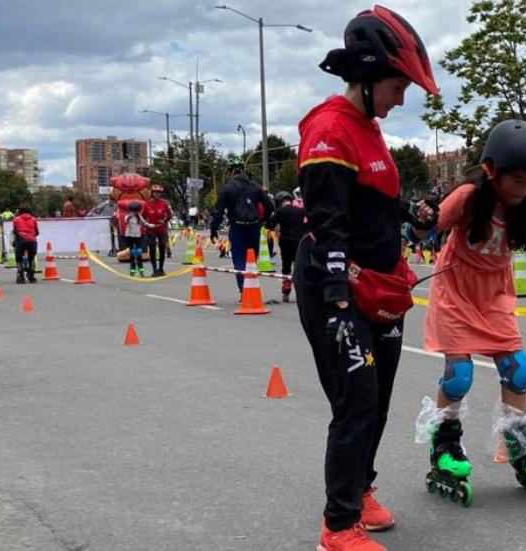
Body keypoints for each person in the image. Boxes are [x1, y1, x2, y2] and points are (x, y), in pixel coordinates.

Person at [296, 6, 440, 550]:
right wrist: (336, 302)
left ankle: (360, 489)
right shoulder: (331, 128)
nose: (401, 97)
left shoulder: (369, 129)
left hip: (379, 287)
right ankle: (337, 526)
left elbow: (371, 206)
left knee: (377, 398)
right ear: (367, 73)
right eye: (398, 85)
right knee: (355, 400)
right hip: (337, 287)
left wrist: (411, 216)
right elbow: (328, 219)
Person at [416, 119, 526, 508]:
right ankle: (445, 447)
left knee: (518, 369)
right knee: (459, 376)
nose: (524, 190)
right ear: (490, 171)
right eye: (517, 181)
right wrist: (421, 220)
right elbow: (425, 230)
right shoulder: (466, 198)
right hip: (456, 292)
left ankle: (522, 449)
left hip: (494, 296)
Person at [209, 159, 274, 293]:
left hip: (237, 227)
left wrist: (213, 229)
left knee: (239, 260)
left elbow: (218, 211)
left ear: (231, 171)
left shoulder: (227, 188)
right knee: (252, 259)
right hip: (254, 227)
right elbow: (270, 205)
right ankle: (252, 286)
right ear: (243, 170)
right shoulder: (255, 187)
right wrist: (264, 220)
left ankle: (244, 290)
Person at [268, 191, 306, 303]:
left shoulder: (279, 211)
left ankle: (286, 288)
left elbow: (270, 225)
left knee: (286, 265)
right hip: (300, 242)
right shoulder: (300, 211)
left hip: (286, 242)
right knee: (299, 266)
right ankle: (302, 291)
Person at [143, 185, 173, 277]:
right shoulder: (147, 204)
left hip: (162, 229)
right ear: (152, 193)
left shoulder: (164, 204)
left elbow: (169, 215)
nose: (157, 194)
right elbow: (142, 217)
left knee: (162, 248)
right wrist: (146, 225)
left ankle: (161, 269)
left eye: (159, 193)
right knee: (152, 249)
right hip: (151, 230)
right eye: (156, 193)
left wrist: (164, 220)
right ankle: (154, 269)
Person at [11, 203, 39, 284]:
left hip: (21, 241)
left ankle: (21, 276)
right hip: (32, 242)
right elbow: (37, 232)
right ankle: (32, 276)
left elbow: (15, 232)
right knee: (32, 258)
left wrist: (16, 241)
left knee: (19, 259)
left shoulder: (16, 219)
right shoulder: (34, 219)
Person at [122, 202, 152, 277]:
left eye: (136, 211)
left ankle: (141, 270)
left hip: (137, 236)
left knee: (139, 253)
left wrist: (151, 225)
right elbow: (125, 221)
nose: (135, 212)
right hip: (129, 236)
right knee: (132, 253)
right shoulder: (128, 216)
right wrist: (130, 216)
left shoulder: (139, 216)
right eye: (133, 211)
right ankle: (132, 270)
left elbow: (144, 223)